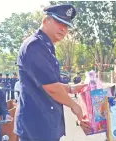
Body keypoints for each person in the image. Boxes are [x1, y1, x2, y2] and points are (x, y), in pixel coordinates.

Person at [15, 4, 86, 141]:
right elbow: (51, 88)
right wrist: (74, 105)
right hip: (36, 125)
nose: (63, 29)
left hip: (44, 123)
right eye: (59, 22)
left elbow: (49, 82)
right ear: (45, 21)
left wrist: (71, 89)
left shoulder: (46, 47)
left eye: (66, 26)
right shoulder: (34, 46)